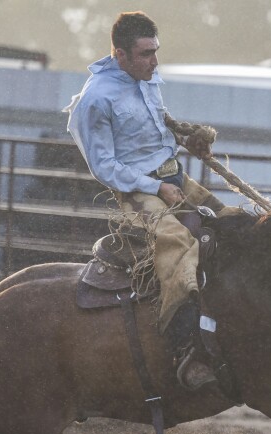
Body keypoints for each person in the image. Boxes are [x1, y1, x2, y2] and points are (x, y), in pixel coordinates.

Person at [64, 11, 229, 388]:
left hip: (175, 178)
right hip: (140, 192)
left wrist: (187, 141)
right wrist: (156, 188)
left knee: (233, 219)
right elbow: (104, 166)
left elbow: (155, 128)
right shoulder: (95, 100)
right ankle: (189, 348)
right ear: (119, 54)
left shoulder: (146, 79)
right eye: (144, 54)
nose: (154, 61)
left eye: (155, 51)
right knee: (178, 244)